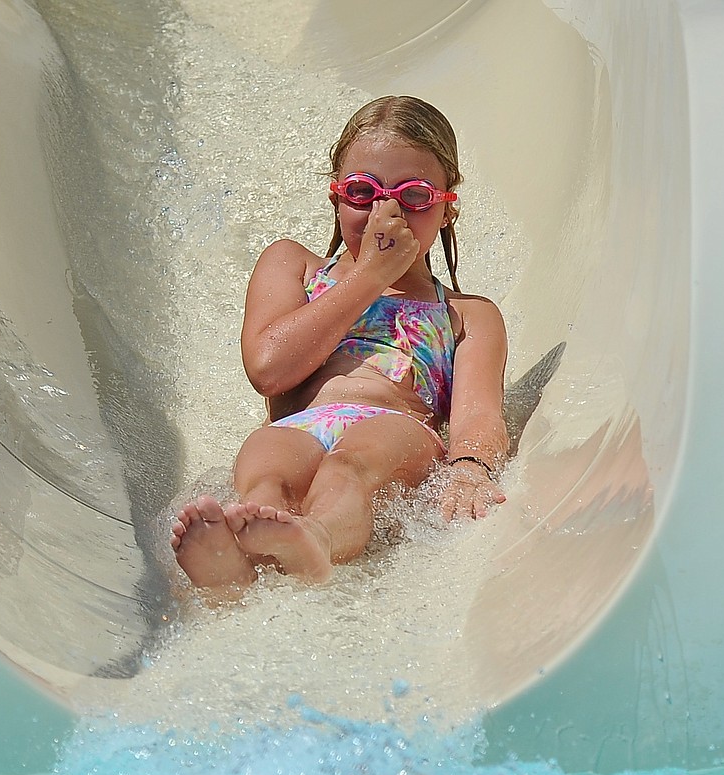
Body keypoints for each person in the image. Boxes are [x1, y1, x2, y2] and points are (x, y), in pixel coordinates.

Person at [170, 95, 509, 594]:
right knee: (268, 463)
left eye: (413, 196)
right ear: (335, 197)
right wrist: (371, 275)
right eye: (362, 191)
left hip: (397, 428)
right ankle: (238, 556)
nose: (385, 210)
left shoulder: (467, 314)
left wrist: (470, 467)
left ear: (447, 207)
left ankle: (318, 537)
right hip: (298, 425)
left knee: (350, 466)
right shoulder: (294, 267)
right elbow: (268, 368)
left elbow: (479, 415)